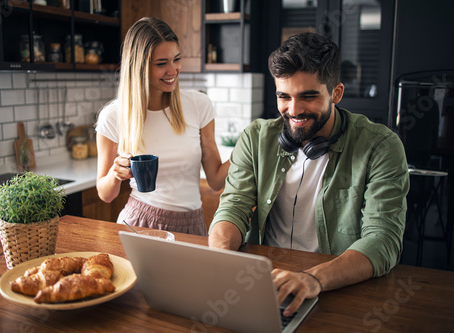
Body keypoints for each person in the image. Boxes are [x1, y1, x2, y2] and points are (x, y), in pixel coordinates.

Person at [208, 32, 409, 317]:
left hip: (338, 286)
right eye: (284, 96)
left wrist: (313, 279)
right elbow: (232, 208)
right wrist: (219, 259)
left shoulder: (381, 146)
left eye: (308, 96)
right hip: (265, 285)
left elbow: (383, 240)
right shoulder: (255, 138)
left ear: (336, 93)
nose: (294, 110)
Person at [96, 17, 229, 235]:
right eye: (161, 64)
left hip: (192, 224)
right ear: (138, 66)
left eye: (176, 59)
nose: (173, 70)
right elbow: (106, 194)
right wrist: (115, 174)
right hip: (139, 222)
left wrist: (248, 149)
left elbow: (215, 180)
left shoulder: (198, 105)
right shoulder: (113, 116)